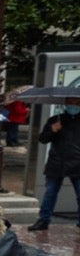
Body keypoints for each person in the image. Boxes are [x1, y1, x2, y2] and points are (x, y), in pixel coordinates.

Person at [29, 97, 80, 232]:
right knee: (50, 192)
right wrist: (53, 130)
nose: (73, 106)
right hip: (57, 162)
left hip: (77, 163)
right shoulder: (56, 120)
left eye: (76, 103)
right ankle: (43, 220)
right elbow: (43, 139)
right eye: (70, 103)